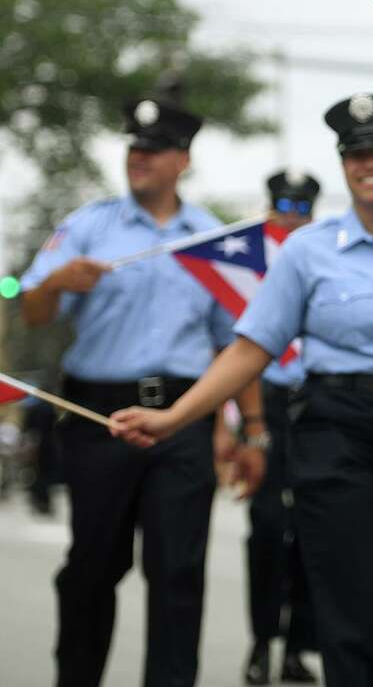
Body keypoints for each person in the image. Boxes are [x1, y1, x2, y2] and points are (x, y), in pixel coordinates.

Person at [111, 93, 373, 687]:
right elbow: (252, 346)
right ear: (343, 165)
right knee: (349, 601)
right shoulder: (307, 251)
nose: (369, 164)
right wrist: (175, 417)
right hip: (336, 430)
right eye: (355, 154)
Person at [20, 96, 267, 687]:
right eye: (134, 147)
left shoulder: (211, 238)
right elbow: (32, 313)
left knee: (178, 570)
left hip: (182, 416)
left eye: (154, 151)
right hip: (96, 412)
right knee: (91, 567)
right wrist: (56, 281)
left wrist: (251, 430)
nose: (140, 159)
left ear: (181, 159)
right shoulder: (89, 226)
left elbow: (239, 342)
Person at [242, 169, 322, 685]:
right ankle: (262, 641)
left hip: (317, 403)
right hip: (269, 404)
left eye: (300, 207)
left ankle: (299, 646)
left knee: (317, 532)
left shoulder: (324, 254)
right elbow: (239, 347)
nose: (291, 216)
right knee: (268, 529)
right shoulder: (248, 265)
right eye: (282, 206)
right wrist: (249, 430)